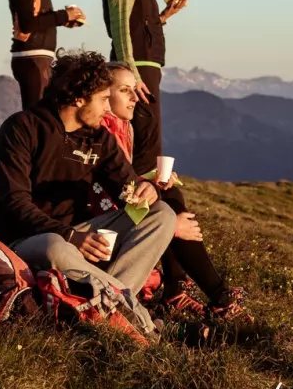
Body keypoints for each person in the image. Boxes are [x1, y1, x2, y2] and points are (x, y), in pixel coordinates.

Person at [0, 50, 175, 334]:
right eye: (103, 99)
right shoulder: (22, 128)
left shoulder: (98, 139)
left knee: (161, 214)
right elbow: (13, 203)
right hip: (28, 237)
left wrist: (148, 191)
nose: (107, 108)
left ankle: (105, 308)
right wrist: (69, 236)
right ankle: (135, 319)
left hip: (80, 232)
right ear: (78, 99)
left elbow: (127, 188)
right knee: (56, 247)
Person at [100, 64, 248, 321]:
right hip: (101, 226)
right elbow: (108, 191)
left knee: (171, 196)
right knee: (168, 207)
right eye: (126, 91)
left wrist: (152, 180)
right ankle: (216, 296)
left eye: (134, 90)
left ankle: (178, 290)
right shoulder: (102, 131)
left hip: (116, 210)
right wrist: (171, 225)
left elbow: (121, 179)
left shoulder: (123, 127)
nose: (136, 98)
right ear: (103, 94)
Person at [102, 0, 187, 175]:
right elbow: (120, 27)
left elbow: (138, 25)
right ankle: (142, 203)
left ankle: (147, 200)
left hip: (144, 65)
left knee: (149, 136)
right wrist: (132, 75)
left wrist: (164, 15)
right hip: (137, 67)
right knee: (146, 139)